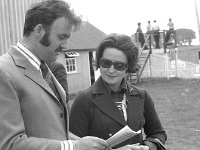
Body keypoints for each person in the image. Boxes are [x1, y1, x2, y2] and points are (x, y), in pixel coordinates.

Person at [0, 0, 109, 150]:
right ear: (39, 30)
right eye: (61, 37)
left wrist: (87, 144)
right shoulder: (4, 72)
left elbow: (50, 131)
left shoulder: (42, 67)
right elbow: (10, 144)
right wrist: (73, 146)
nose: (65, 46)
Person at [69, 33, 167, 150]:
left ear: (128, 66)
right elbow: (73, 145)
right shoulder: (84, 99)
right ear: (98, 62)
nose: (111, 70)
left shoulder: (142, 96)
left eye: (119, 65)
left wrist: (146, 147)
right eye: (106, 63)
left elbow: (158, 134)